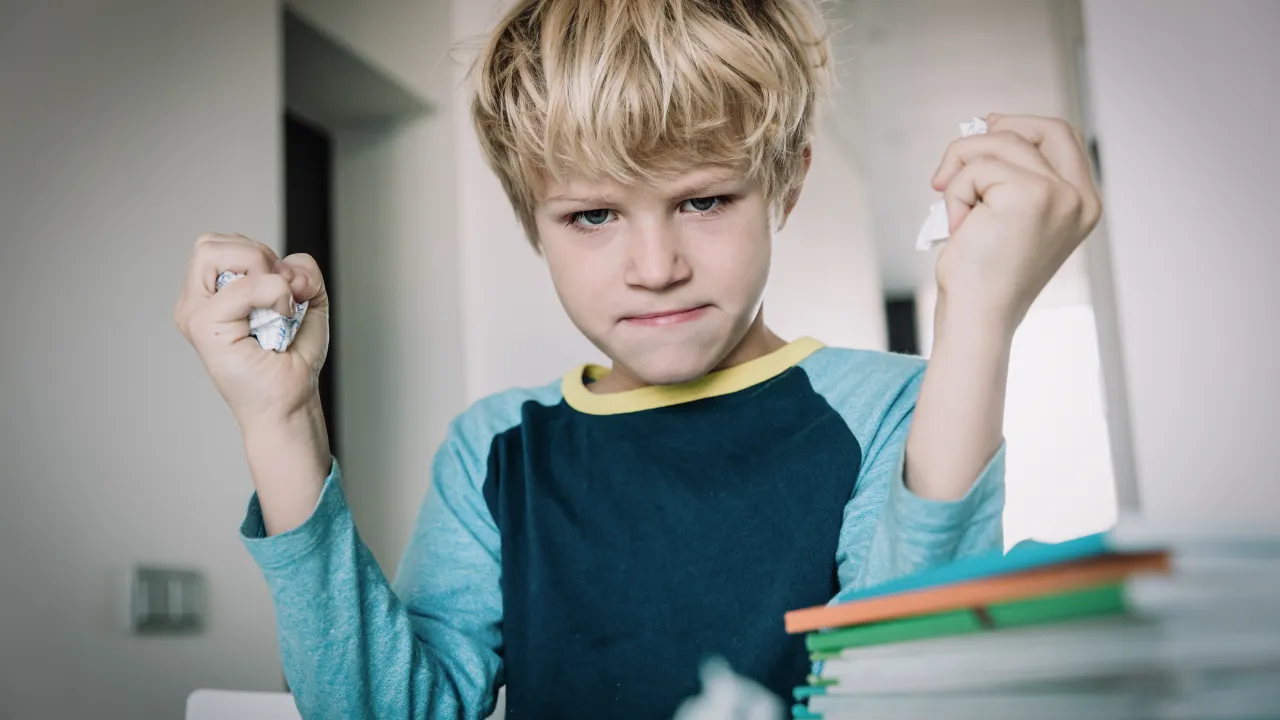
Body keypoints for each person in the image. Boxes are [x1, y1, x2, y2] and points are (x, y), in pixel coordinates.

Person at [173, 0, 1102, 717]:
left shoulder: (894, 408)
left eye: (704, 201)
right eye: (592, 215)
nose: (656, 269)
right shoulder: (495, 448)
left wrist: (978, 318)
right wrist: (281, 423)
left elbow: (909, 690)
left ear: (786, 183)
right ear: (530, 221)